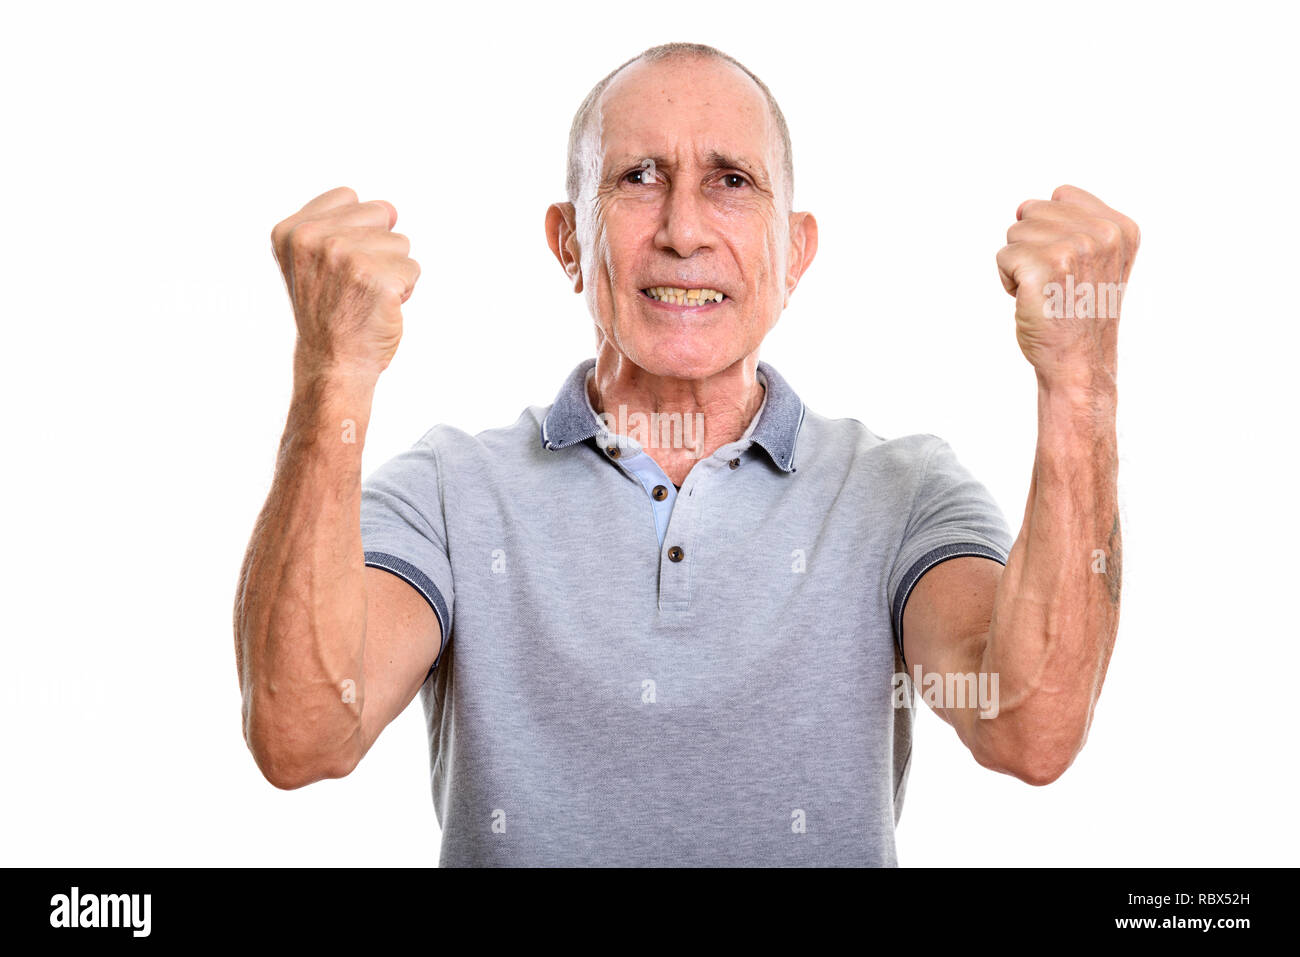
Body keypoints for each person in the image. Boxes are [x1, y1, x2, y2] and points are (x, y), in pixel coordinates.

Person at [233, 42, 1139, 866]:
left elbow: (1030, 729)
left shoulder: (901, 493)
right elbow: (299, 734)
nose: (683, 231)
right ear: (567, 243)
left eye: (731, 181)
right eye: (639, 177)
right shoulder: (448, 490)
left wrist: (1079, 379)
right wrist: (332, 372)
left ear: (794, 254)